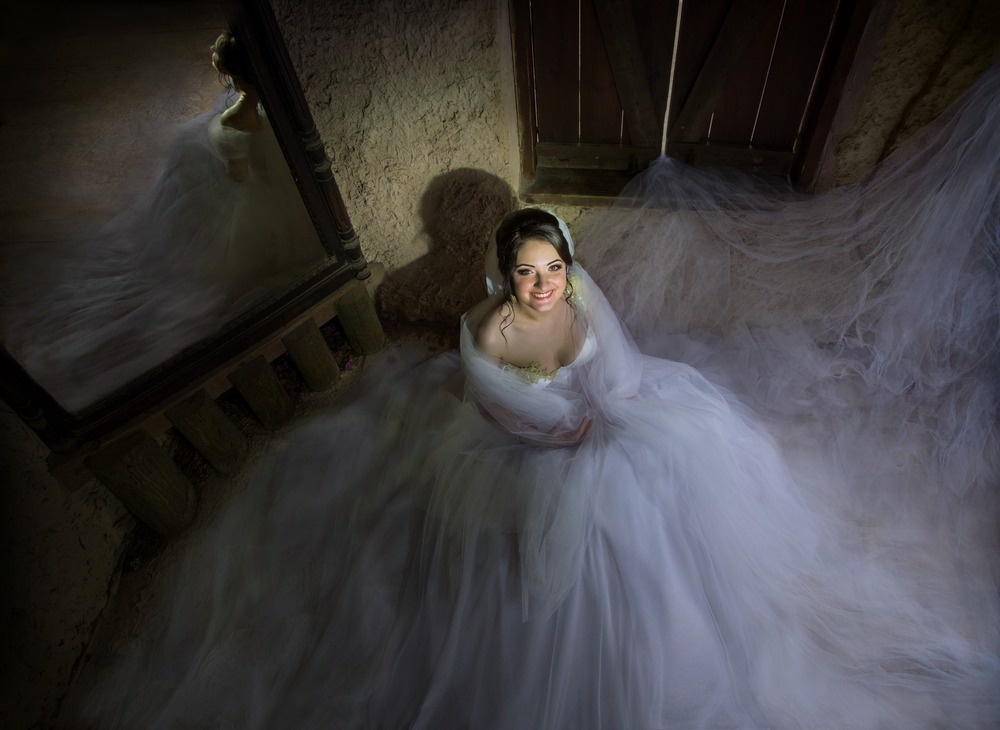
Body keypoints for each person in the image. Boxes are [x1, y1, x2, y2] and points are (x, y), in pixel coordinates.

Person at [73, 66, 999, 728]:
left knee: (696, 468)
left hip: (603, 417)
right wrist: (571, 432)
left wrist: (615, 410)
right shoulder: (484, 339)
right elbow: (505, 413)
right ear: (503, 274)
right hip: (530, 451)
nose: (545, 286)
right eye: (527, 272)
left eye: (554, 268)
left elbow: (619, 372)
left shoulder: (581, 296)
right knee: (577, 550)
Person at [2, 30, 327, 411]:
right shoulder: (276, 105)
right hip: (280, 188)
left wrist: (217, 163)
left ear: (235, 77)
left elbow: (237, 175)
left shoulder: (232, 121)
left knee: (189, 170)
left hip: (249, 196)